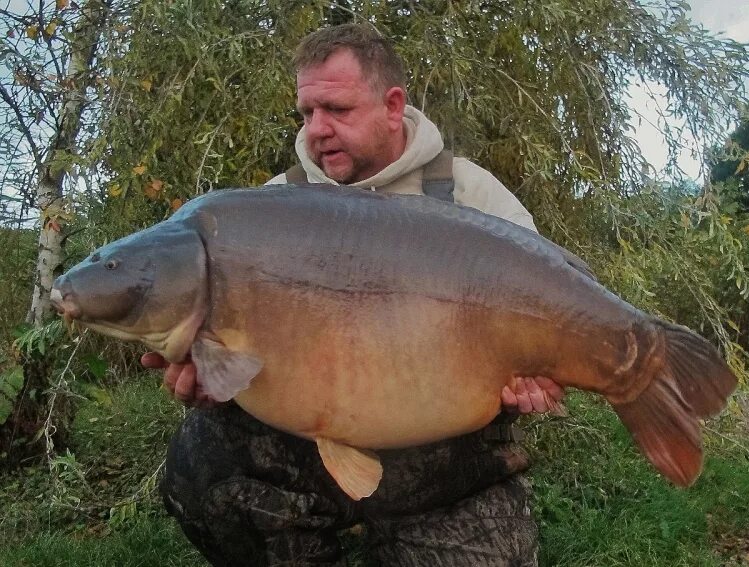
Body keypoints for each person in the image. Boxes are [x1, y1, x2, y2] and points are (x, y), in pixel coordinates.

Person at [142, 23, 566, 566]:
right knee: (201, 462)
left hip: (446, 463)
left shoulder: (472, 194)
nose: (317, 130)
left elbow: (551, 311)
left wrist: (540, 376)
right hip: (307, 449)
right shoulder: (271, 207)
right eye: (306, 113)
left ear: (393, 106)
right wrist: (211, 376)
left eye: (337, 110)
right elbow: (231, 356)